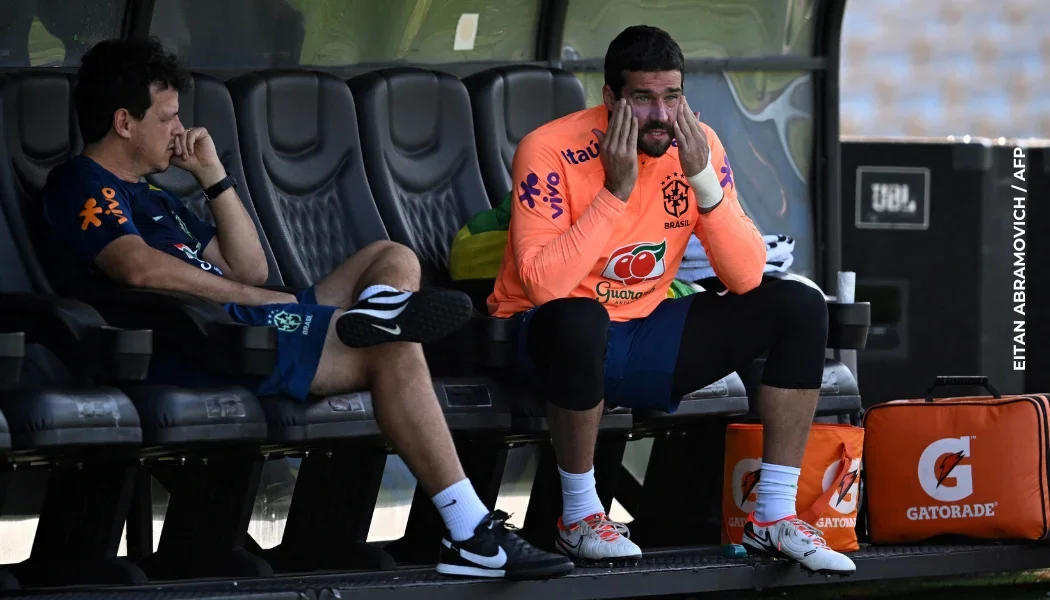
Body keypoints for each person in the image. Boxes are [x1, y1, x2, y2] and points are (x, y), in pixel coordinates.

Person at [39, 36, 574, 581]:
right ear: (124, 122)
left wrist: (213, 176)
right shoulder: (81, 182)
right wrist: (262, 301)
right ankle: (470, 532)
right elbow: (139, 269)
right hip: (201, 337)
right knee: (392, 351)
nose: (179, 129)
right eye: (167, 116)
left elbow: (249, 267)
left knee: (391, 256)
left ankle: (378, 310)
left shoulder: (156, 197)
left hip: (248, 314)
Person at [488, 25, 856, 576]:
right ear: (610, 98)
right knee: (580, 318)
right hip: (547, 337)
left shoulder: (696, 144)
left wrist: (704, 179)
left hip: (644, 331)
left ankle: (773, 517)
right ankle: (580, 517)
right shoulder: (549, 148)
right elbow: (543, 286)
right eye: (642, 98)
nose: (661, 115)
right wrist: (615, 190)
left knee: (798, 305)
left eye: (673, 96)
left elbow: (745, 275)